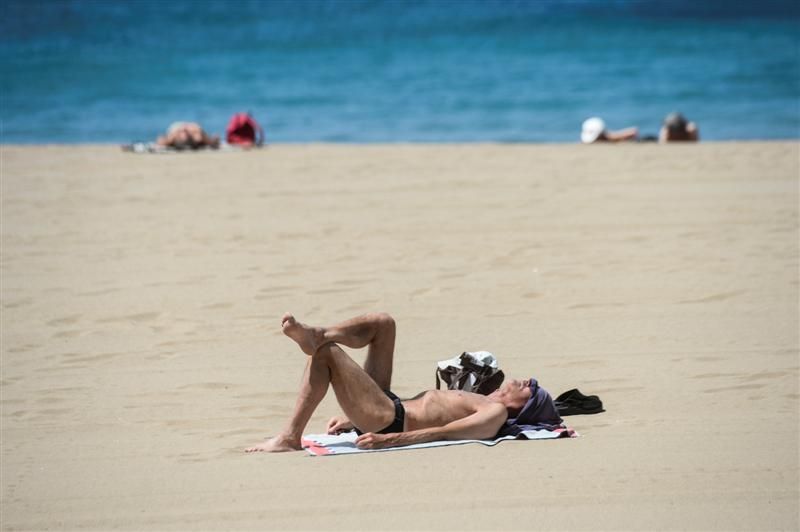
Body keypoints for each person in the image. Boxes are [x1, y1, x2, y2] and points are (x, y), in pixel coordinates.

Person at [246, 312, 563, 453]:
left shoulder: (494, 414)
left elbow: (443, 434)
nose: (523, 380)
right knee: (384, 324)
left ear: (524, 406)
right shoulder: (482, 400)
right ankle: (320, 334)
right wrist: (352, 419)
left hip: (388, 421)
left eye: (529, 387)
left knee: (327, 356)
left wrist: (389, 440)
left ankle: (290, 437)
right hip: (389, 406)